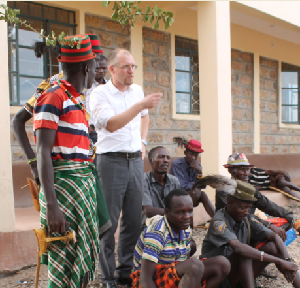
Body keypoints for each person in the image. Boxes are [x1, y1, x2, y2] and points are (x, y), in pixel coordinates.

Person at [34, 35, 106, 288]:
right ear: (86, 67)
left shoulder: (76, 98)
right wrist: (52, 205)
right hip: (63, 193)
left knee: (80, 259)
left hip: (81, 190)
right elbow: (43, 151)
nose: (97, 74)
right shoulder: (53, 97)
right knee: (63, 260)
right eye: (95, 68)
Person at [90, 48, 162, 288]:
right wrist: (141, 103)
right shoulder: (100, 94)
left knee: (134, 220)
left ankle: (125, 271)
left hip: (134, 162)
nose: (131, 70)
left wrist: (142, 142)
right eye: (126, 66)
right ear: (112, 69)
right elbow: (111, 124)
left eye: (134, 66)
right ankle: (108, 277)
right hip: (110, 162)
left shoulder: (137, 91)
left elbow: (144, 117)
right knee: (108, 223)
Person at [12, 33, 103, 185]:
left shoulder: (94, 86)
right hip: (62, 170)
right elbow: (18, 121)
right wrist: (34, 164)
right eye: (94, 57)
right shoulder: (54, 88)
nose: (98, 64)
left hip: (86, 162)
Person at [201, 180, 299, 288]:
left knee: (273, 247)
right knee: (244, 253)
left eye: (249, 207)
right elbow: (239, 248)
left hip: (237, 274)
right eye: (243, 208)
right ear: (229, 202)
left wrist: (287, 261)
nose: (247, 211)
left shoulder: (247, 218)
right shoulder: (219, 221)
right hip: (217, 278)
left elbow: (274, 236)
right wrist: (279, 261)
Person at [131, 189, 231, 288]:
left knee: (223, 264)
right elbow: (145, 280)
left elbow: (183, 263)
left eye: (190, 211)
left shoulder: (185, 228)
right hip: (149, 281)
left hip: (170, 275)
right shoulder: (157, 234)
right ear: (167, 212)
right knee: (194, 265)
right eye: (180, 212)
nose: (187, 216)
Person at [85, 54, 108, 125]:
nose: (101, 71)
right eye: (98, 68)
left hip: (104, 127)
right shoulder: (86, 86)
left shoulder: (109, 86)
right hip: (89, 126)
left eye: (104, 68)